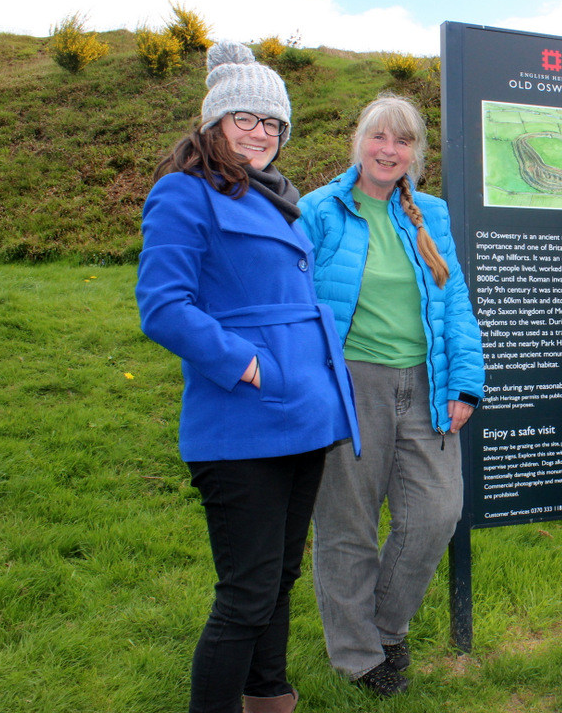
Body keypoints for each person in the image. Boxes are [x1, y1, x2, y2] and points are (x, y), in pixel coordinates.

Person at [136, 42, 358, 713]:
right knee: (245, 594)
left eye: (272, 124)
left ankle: (268, 696)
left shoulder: (273, 199)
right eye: (246, 119)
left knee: (279, 577)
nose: (261, 134)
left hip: (303, 414)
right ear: (214, 124)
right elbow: (164, 306)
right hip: (242, 421)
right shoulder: (184, 193)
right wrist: (246, 363)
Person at [300, 93, 485, 697]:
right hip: (350, 385)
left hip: (426, 383)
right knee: (347, 525)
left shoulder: (428, 212)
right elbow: (294, 307)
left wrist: (465, 382)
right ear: (359, 141)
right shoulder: (319, 211)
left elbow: (454, 300)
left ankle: (384, 625)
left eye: (402, 141)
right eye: (379, 136)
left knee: (437, 513)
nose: (389, 149)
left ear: (416, 154)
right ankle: (358, 657)